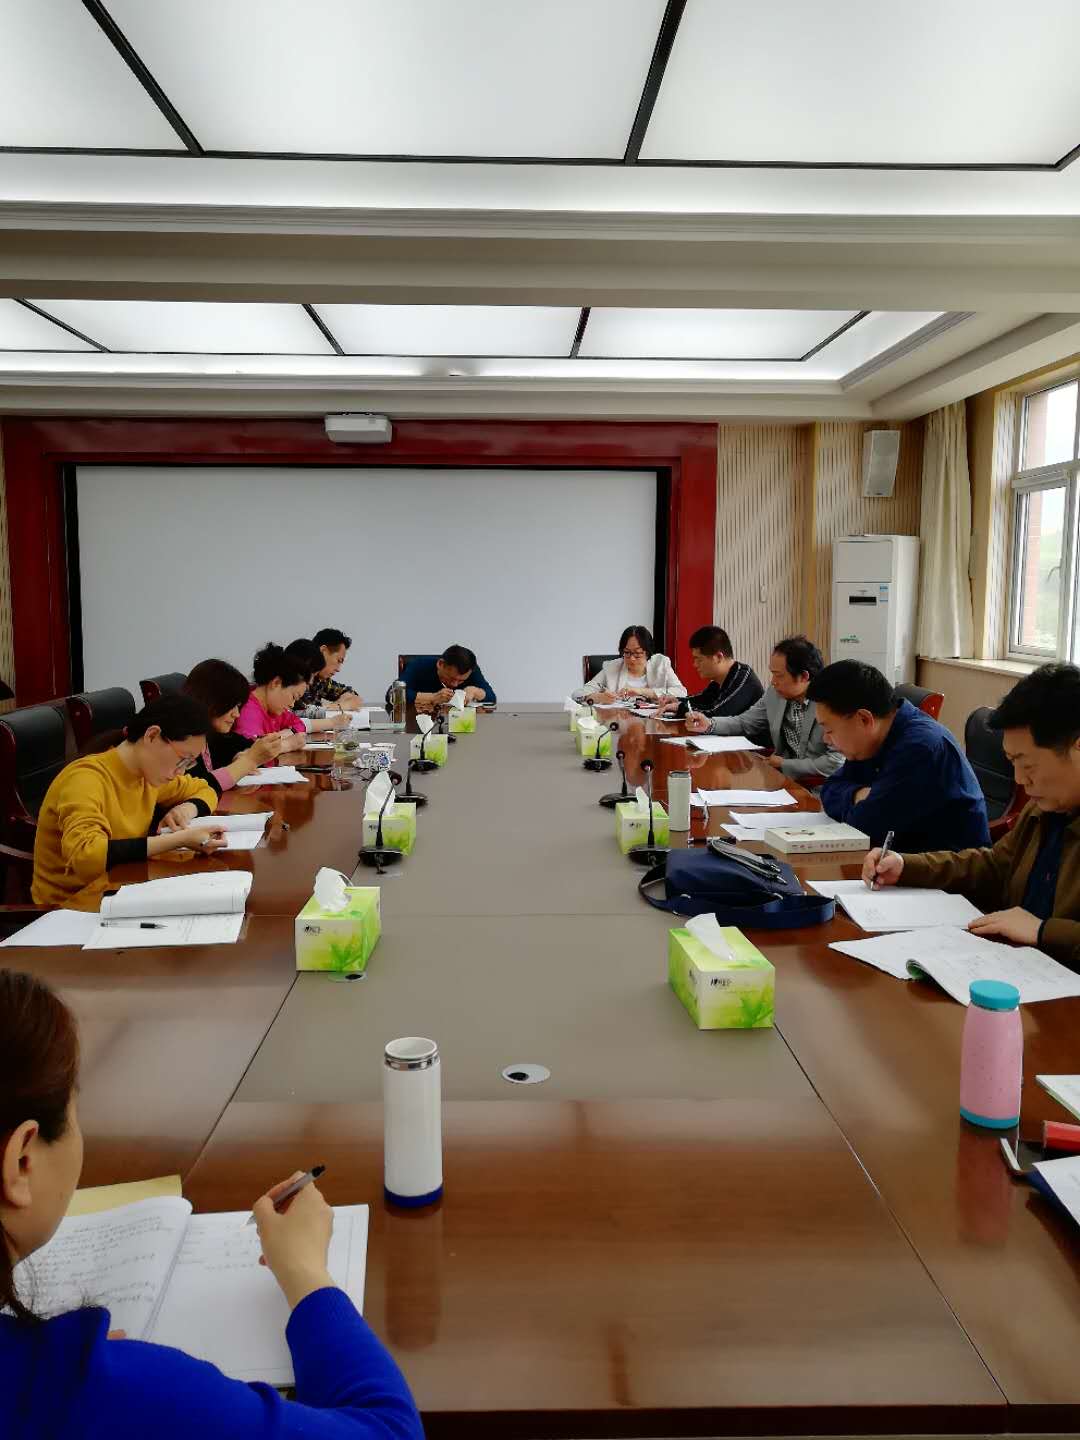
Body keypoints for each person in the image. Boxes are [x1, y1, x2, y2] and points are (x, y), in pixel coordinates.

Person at [0, 969, 425, 1440]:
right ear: (21, 1161)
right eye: (75, 1107)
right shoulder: (90, 1393)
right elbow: (393, 1431)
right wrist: (307, 1275)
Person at [864, 664, 1080, 966]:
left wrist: (1044, 931)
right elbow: (994, 867)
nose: (1020, 780)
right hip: (1014, 967)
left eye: (1028, 765)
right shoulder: (1044, 809)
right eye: (1012, 763)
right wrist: (906, 867)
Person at [31, 695, 226, 908]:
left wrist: (187, 809)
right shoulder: (85, 779)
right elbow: (87, 858)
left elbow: (206, 789)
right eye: (182, 759)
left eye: (188, 763)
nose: (180, 771)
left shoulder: (147, 775)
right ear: (152, 735)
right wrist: (178, 840)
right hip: (70, 909)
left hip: (120, 891)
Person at [811, 659, 990, 851]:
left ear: (864, 719)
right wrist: (857, 795)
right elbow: (829, 790)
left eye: (829, 730)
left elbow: (864, 827)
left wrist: (862, 801)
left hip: (945, 865)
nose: (826, 739)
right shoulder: (870, 740)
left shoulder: (920, 747)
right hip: (898, 857)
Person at [685, 635, 843, 781]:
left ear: (804, 676)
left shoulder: (831, 702)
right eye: (772, 674)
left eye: (779, 675)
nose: (773, 681)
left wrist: (784, 764)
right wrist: (709, 724)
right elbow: (745, 722)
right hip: (783, 781)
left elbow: (835, 761)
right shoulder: (775, 694)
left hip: (821, 788)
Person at [182, 659, 287, 793]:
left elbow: (237, 744)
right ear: (210, 699)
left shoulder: (211, 735)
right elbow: (194, 787)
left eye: (238, 706)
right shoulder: (183, 741)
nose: (236, 714)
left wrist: (240, 756)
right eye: (232, 705)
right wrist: (248, 761)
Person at [235, 644, 343, 748]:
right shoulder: (249, 712)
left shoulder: (274, 708)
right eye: (293, 697)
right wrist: (287, 744)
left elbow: (298, 723)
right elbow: (254, 753)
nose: (292, 705)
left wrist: (287, 733)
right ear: (276, 683)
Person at [655, 626, 762, 720]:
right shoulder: (720, 679)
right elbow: (703, 700)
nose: (695, 664)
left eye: (699, 659)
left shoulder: (743, 678)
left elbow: (716, 712)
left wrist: (680, 707)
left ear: (718, 657)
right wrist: (677, 700)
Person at [575, 626, 686, 703]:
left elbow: (681, 692)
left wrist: (642, 691)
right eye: (627, 653)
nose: (631, 659)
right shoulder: (612, 668)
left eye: (637, 653)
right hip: (620, 723)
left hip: (655, 723)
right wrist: (597, 697)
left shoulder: (661, 664)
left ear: (648, 652)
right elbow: (577, 694)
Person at [401, 645, 496, 712]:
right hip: (420, 722)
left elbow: (492, 698)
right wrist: (432, 697)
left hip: (458, 723)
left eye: (461, 681)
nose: (455, 684)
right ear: (440, 664)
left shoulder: (471, 670)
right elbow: (395, 694)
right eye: (451, 678)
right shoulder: (419, 665)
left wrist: (475, 691)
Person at [298, 628, 363, 713]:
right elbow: (301, 712)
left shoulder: (321, 680)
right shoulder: (296, 674)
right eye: (338, 660)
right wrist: (341, 706)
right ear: (323, 651)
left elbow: (353, 695)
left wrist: (338, 704)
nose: (338, 669)